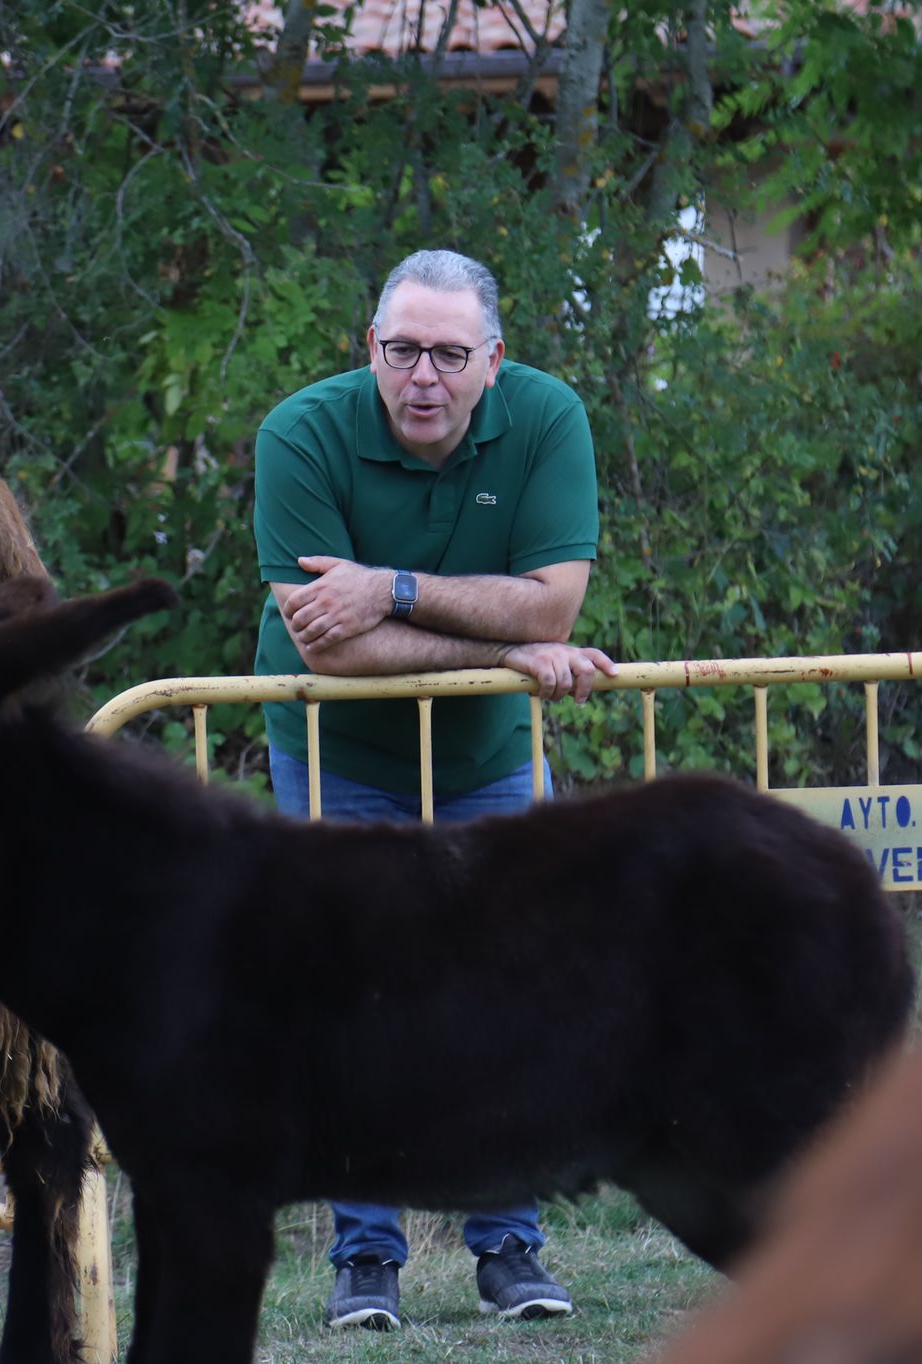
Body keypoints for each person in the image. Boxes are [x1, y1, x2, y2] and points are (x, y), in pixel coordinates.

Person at [252, 248, 617, 1330]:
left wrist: (393, 591)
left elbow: (551, 606)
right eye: (401, 349)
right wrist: (490, 645)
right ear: (368, 347)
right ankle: (366, 1258)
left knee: (501, 989)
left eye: (448, 354)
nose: (423, 375)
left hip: (486, 759)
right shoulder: (300, 433)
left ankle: (508, 1246)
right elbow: (324, 649)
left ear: (491, 361)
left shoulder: (548, 420)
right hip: (334, 757)